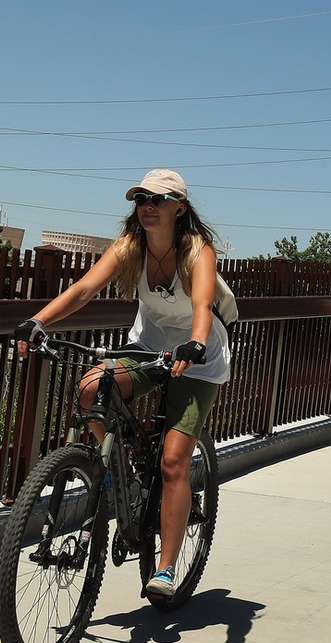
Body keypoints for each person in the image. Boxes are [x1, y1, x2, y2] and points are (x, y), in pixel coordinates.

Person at [13, 169, 232, 598]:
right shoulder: (130, 247)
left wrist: (196, 343)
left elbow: (203, 304)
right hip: (149, 347)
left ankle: (166, 569)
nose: (147, 206)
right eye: (141, 199)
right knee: (90, 387)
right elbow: (84, 289)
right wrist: (38, 321)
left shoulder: (196, 251)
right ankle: (120, 478)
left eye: (158, 199)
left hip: (198, 358)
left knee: (173, 462)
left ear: (179, 208)